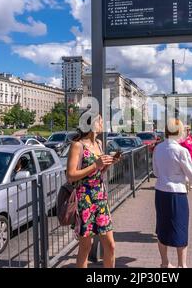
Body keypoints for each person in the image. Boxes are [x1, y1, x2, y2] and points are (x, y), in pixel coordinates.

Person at [66, 110, 118, 268]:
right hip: (85, 200)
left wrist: (107, 164)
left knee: (110, 245)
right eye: (100, 121)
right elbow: (71, 175)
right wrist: (96, 164)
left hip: (100, 198)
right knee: (85, 247)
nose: (102, 124)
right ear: (91, 124)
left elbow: (98, 172)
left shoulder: (99, 144)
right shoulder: (77, 145)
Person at [153, 119, 192, 268]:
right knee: (180, 229)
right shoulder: (181, 151)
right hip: (177, 194)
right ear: (179, 132)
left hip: (160, 192)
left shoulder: (157, 149)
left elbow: (155, 172)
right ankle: (182, 265)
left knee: (162, 227)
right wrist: (184, 180)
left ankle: (165, 263)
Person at [179, 126, 192, 190]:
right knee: (185, 171)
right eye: (186, 130)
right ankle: (185, 184)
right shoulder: (181, 139)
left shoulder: (190, 137)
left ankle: (189, 184)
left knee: (191, 171)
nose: (188, 131)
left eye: (189, 130)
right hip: (185, 158)